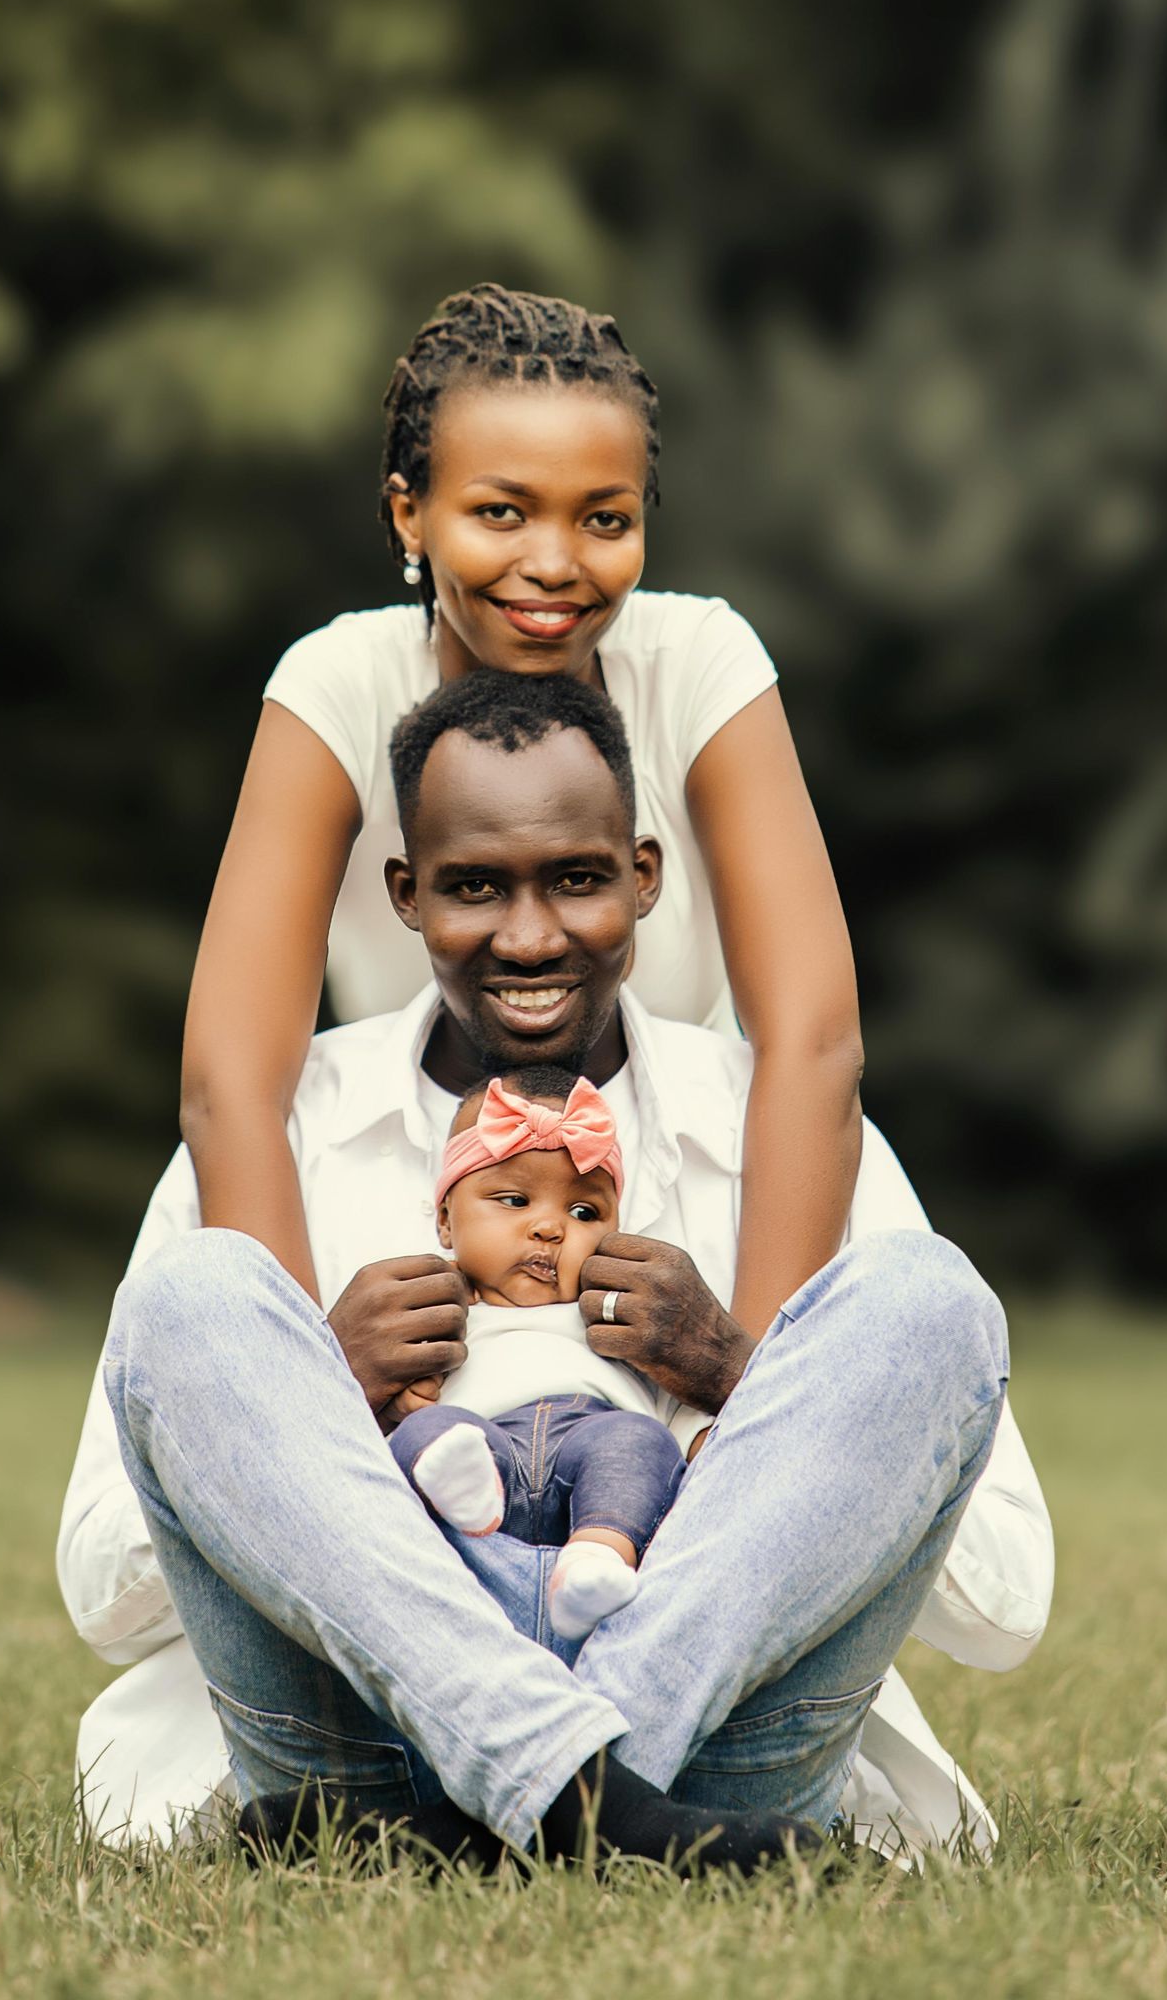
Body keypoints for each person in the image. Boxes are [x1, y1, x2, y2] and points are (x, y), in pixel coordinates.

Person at [59, 672, 1053, 1865]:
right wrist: (321, 1389)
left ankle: (515, 1813)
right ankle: (598, 1813)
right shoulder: (296, 1122)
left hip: (707, 1749)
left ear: (643, 876)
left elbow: (1007, 1597)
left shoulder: (766, 1123)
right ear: (406, 897)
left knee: (929, 1297)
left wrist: (746, 1373)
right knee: (197, 1293)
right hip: (360, 1751)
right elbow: (104, 1593)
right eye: (475, 887)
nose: (529, 935)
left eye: (575, 880)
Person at [178, 283, 865, 1347]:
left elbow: (814, 1042)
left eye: (604, 519)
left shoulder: (701, 667)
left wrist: (747, 1374)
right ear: (409, 512)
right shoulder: (338, 686)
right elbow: (232, 1080)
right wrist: (311, 1374)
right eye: (502, 511)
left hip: (670, 1202)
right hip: (395, 1209)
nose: (554, 562)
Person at [390, 1066, 687, 1641]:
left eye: (584, 1213)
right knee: (426, 1434)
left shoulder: (623, 1314)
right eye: (514, 1199)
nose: (550, 1227)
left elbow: (685, 1410)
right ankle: (463, 1496)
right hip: (480, 1445)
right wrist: (405, 1401)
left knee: (641, 1441)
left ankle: (596, 1559)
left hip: (591, 1448)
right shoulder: (432, 1311)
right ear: (446, 1221)